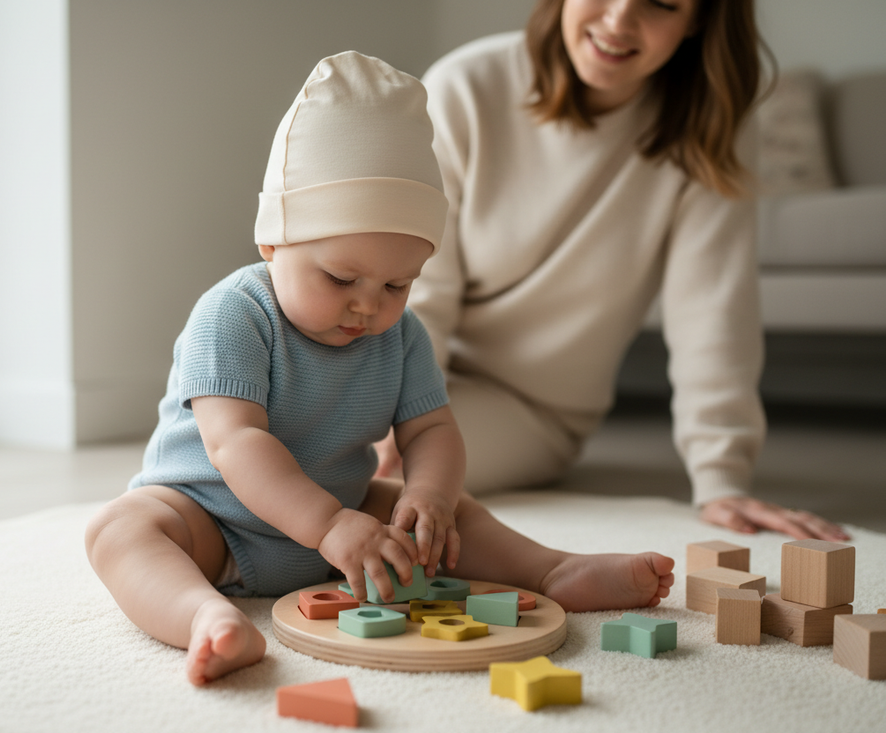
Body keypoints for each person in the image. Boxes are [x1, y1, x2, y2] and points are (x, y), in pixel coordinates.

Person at [85, 51, 675, 687]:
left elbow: (433, 432)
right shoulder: (233, 315)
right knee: (121, 528)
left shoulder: (401, 337)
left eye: (399, 283)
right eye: (341, 278)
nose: (368, 305)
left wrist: (430, 496)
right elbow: (235, 444)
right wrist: (329, 526)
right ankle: (204, 618)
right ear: (273, 242)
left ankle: (552, 569)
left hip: (347, 521)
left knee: (446, 514)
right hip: (214, 523)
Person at [374, 0, 849, 542]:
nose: (620, 20)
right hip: (415, 367)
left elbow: (713, 309)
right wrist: (395, 400)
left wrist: (723, 480)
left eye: (661, 3)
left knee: (366, 470)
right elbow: (422, 284)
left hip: (534, 411)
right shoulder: (466, 85)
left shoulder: (711, 123)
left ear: (698, 19)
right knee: (295, 433)